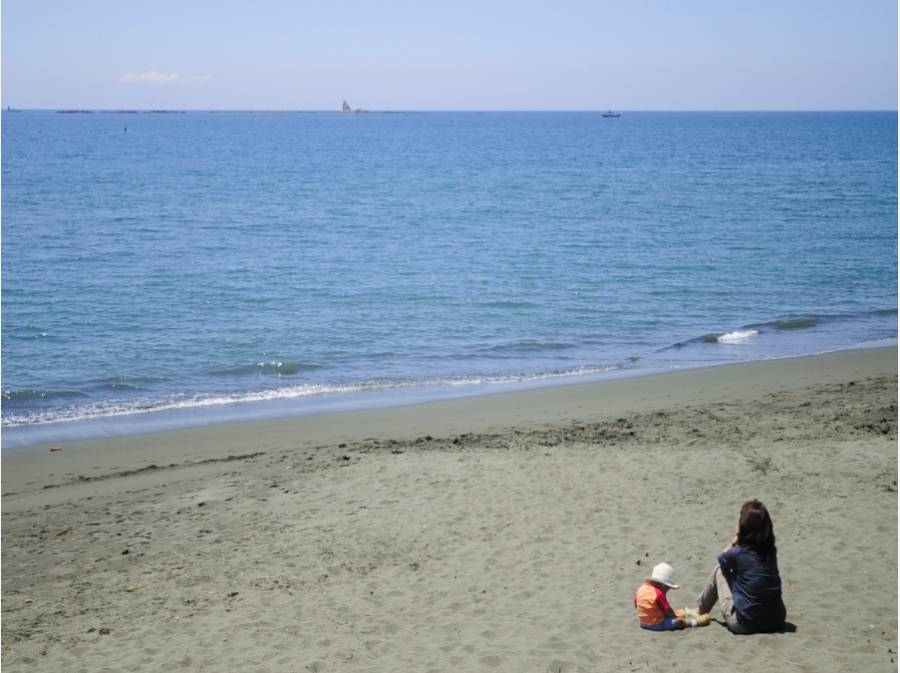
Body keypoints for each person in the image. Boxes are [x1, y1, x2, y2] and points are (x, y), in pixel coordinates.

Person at [697, 499, 787, 634]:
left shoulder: (738, 553)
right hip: (777, 621)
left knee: (719, 570)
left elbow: (722, 558)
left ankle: (701, 610)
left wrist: (736, 539)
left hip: (746, 624)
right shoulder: (771, 551)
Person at [634, 562, 711, 631]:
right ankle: (696, 622)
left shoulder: (640, 589)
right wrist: (674, 617)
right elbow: (669, 612)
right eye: (668, 588)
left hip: (643, 623)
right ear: (663, 586)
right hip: (657, 623)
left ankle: (690, 612)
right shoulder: (658, 593)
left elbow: (636, 605)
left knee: (679, 612)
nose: (668, 590)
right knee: (678, 622)